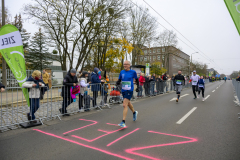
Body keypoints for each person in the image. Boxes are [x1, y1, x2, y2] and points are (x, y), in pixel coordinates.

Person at [116, 61, 139, 128]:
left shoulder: (133, 72)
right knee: (128, 103)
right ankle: (134, 112)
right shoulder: (122, 72)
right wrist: (117, 82)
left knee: (124, 104)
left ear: (129, 65)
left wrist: (138, 87)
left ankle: (123, 122)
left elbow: (137, 80)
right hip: (123, 90)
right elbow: (119, 80)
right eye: (124, 64)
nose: (125, 65)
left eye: (126, 64)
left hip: (129, 90)